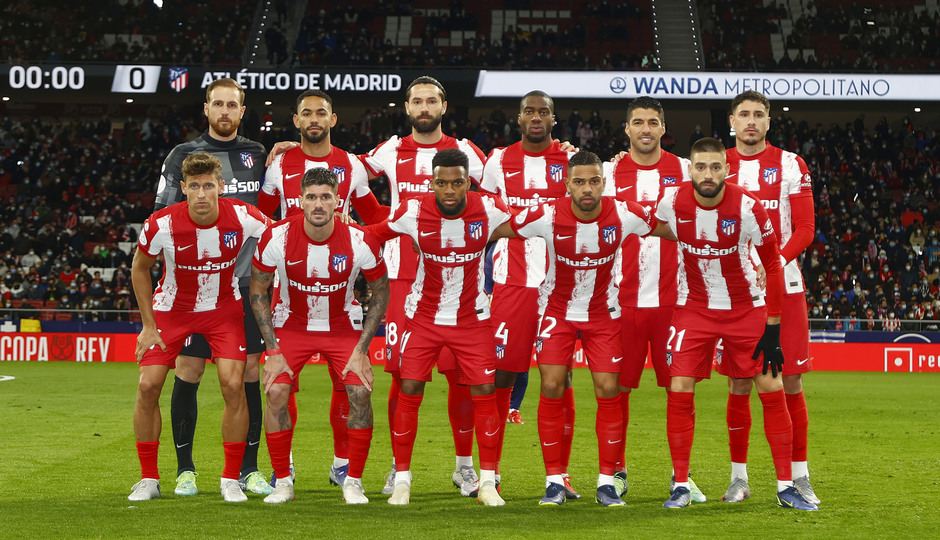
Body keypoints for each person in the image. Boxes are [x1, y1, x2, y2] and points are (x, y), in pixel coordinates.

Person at [494, 150, 674, 507]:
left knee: (609, 389)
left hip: (604, 313)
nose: (587, 188)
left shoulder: (625, 213)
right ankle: (554, 481)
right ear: (567, 185)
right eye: (579, 182)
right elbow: (498, 229)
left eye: (594, 181)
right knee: (551, 384)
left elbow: (670, 231)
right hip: (557, 311)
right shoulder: (546, 214)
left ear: (604, 183)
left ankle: (607, 482)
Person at [656, 137, 816, 510]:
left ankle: (785, 486)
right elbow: (653, 226)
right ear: (690, 169)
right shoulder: (673, 201)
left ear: (726, 169)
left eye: (715, 167)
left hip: (745, 308)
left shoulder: (747, 207)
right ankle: (680, 484)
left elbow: (773, 266)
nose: (708, 174)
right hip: (694, 306)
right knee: (679, 386)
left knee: (771, 385)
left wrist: (773, 329)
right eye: (700, 167)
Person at [362, 76, 487, 497]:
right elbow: (348, 174)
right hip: (402, 276)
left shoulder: (467, 153)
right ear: (407, 106)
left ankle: (464, 467)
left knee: (462, 377)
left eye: (431, 100)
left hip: (457, 278)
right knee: (403, 376)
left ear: (444, 105)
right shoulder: (390, 149)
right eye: (417, 101)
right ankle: (399, 470)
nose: (424, 107)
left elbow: (492, 198)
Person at [366, 148, 509, 506]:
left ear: (468, 182)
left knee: (484, 390)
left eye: (457, 182)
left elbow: (533, 225)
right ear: (431, 183)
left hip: (472, 319)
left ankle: (487, 482)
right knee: (409, 386)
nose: (449, 190)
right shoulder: (413, 211)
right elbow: (371, 236)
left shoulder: (488, 210)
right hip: (424, 318)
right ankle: (401, 479)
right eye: (442, 183)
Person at [258, 89, 386, 489]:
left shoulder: (351, 163)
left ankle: (343, 463)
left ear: (333, 119)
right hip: (288, 291)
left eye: (321, 113)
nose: (314, 118)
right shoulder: (280, 164)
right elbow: (261, 218)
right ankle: (287, 466)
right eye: (306, 113)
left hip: (340, 290)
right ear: (296, 120)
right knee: (281, 384)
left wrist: (360, 240)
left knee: (347, 385)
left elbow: (376, 217)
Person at [152, 78, 273, 496]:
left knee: (249, 375)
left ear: (242, 111)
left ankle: (248, 469)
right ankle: (186, 469)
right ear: (206, 109)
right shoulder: (183, 156)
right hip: (195, 288)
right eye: (217, 104)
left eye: (232, 105)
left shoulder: (258, 155)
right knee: (189, 370)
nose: (224, 111)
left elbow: (272, 213)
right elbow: (163, 216)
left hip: (246, 288)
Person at [128, 152, 270, 502]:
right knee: (148, 385)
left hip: (222, 310)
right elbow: (139, 268)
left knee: (234, 384)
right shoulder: (161, 224)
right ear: (184, 188)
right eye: (195, 186)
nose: (202, 193)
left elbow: (283, 235)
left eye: (209, 185)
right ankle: (149, 478)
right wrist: (148, 325)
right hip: (172, 310)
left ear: (222, 187)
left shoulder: (244, 216)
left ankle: (230, 479)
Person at [720, 91, 820, 506]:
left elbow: (806, 227)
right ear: (732, 120)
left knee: (791, 380)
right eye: (744, 114)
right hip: (731, 292)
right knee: (739, 382)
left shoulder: (791, 164)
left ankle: (800, 477)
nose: (751, 121)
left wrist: (774, 261)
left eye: (759, 115)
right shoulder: (713, 164)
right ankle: (738, 479)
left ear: (768, 123)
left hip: (785, 285)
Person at [479, 90, 580, 497]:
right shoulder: (498, 161)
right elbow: (484, 217)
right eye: (528, 111)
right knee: (501, 375)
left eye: (543, 112)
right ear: (518, 118)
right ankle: (491, 474)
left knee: (560, 376)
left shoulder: (570, 161)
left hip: (560, 281)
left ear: (554, 119)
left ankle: (559, 476)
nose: (535, 117)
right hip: (512, 279)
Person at [601, 96, 702, 501]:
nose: (645, 129)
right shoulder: (606, 173)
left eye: (653, 122)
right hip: (619, 301)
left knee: (680, 391)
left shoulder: (683, 170)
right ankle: (616, 471)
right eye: (638, 122)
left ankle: (682, 476)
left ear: (663, 128)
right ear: (627, 129)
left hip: (674, 302)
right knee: (616, 391)